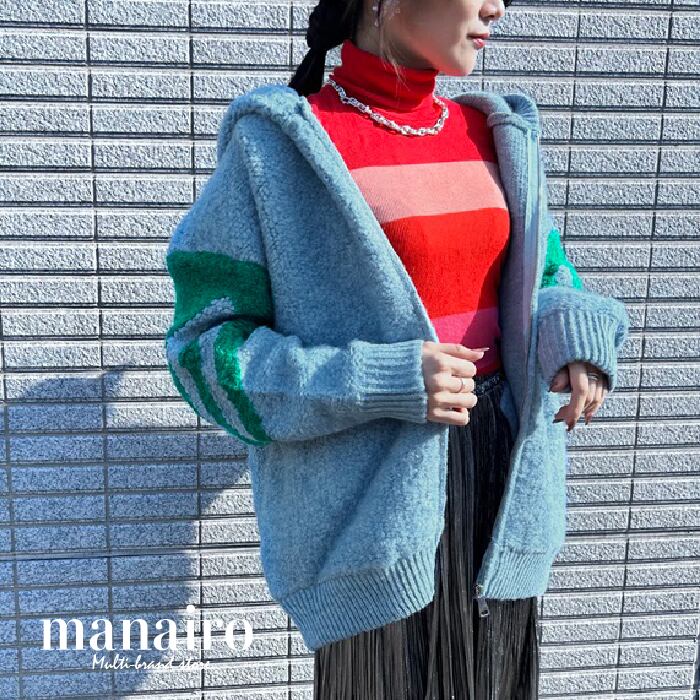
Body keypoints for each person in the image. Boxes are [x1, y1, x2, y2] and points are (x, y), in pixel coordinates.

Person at [163, 0, 629, 696]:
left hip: (505, 490)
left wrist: (575, 341)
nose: (496, 7)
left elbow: (545, 277)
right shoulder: (281, 148)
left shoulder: (496, 134)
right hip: (372, 527)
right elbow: (206, 356)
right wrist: (382, 378)